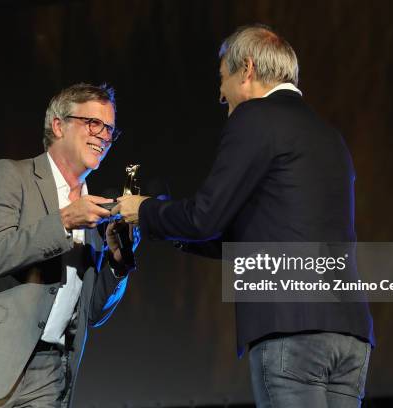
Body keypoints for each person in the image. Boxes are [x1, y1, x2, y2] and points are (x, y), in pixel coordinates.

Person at [114, 25, 375, 407]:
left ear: (247, 70)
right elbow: (244, 235)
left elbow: (206, 216)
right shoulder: (329, 137)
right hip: (349, 335)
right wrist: (168, 228)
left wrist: (144, 210)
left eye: (223, 80)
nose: (221, 94)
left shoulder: (254, 118)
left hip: (289, 332)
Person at [0, 83, 138, 407]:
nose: (103, 136)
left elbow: (91, 312)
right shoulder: (12, 175)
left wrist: (117, 262)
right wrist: (64, 220)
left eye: (110, 129)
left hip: (49, 374)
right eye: (93, 123)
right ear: (58, 125)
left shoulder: (94, 210)